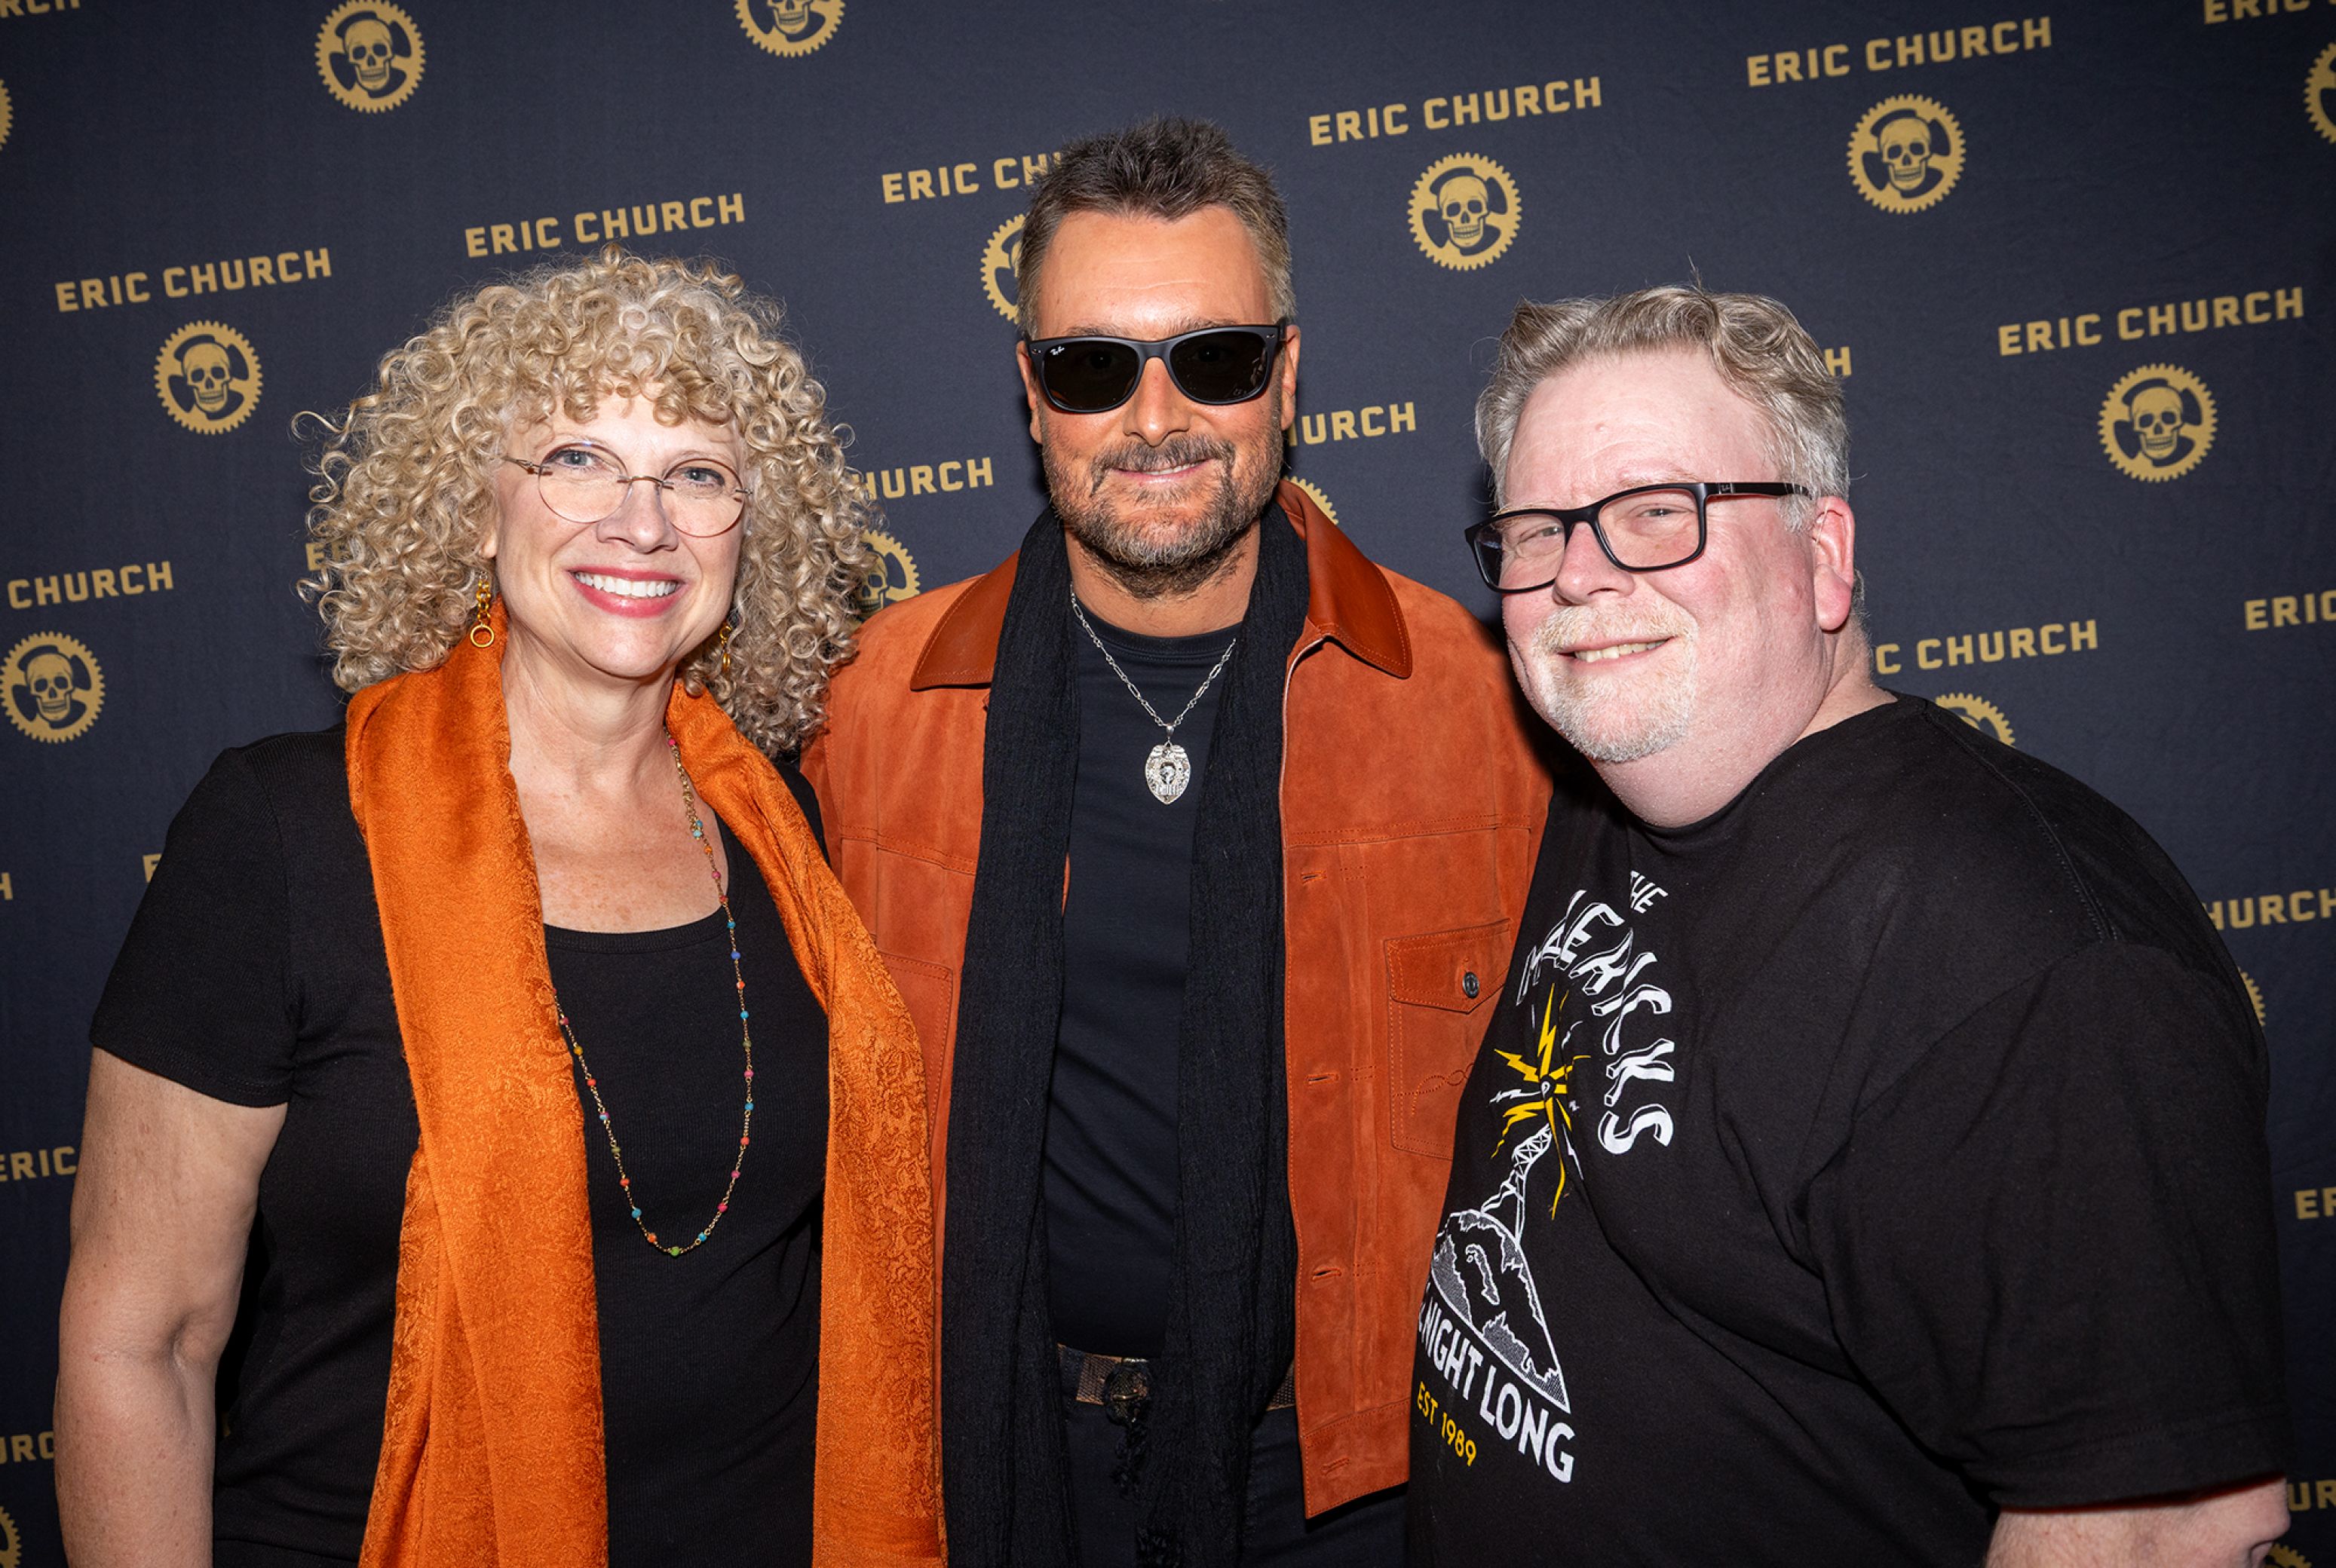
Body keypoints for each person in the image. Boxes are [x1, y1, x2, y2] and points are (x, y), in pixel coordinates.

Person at [55, 250, 942, 1568]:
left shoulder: (779, 835)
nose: (642, 523)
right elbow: (145, 1342)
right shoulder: (286, 834)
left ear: (749, 534)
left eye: (697, 475)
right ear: (476, 508)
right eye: (578, 459)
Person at [1409, 284, 2290, 1565]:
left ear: (1822, 555)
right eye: (1538, 530)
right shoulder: (1620, 787)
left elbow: (2167, 1527)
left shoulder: (2027, 961)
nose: (1581, 576)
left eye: (1656, 512)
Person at [803, 116, 1552, 1567]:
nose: (1156, 419)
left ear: (1286, 374)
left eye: (1213, 359)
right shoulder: (870, 708)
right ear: (1032, 394)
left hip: (1351, 1474)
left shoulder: (1482, 708)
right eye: (1094, 367)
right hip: (984, 1453)